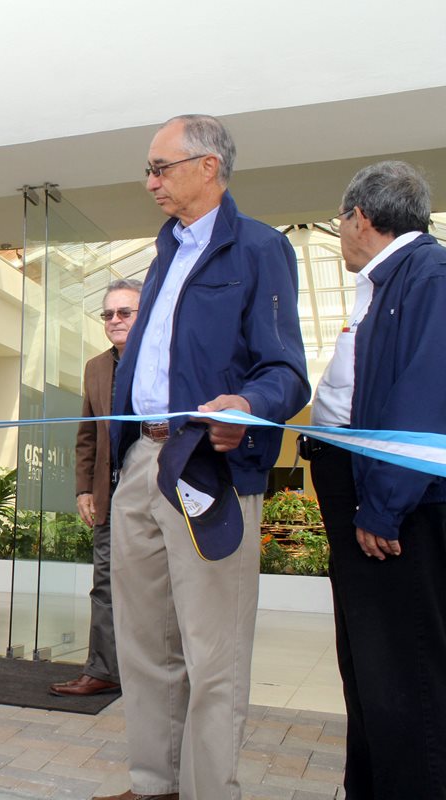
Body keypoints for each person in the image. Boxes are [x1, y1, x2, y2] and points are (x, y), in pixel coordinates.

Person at [99, 115, 309, 800]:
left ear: (208, 166)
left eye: (161, 167)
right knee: (144, 645)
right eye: (149, 170)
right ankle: (154, 781)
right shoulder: (164, 255)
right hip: (141, 463)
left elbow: (285, 369)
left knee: (212, 657)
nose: (150, 182)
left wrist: (246, 407)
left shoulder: (259, 249)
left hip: (209, 469)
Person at [307, 161, 446, 800]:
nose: (338, 231)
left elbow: (423, 398)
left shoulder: (428, 277)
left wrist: (384, 507)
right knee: (369, 671)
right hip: (365, 495)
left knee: (405, 673)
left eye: (340, 219)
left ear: (360, 218)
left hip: (399, 513)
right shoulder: (388, 281)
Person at [50, 278, 141, 698]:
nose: (115, 320)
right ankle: (102, 669)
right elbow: (87, 435)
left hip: (159, 494)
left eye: (125, 312)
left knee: (159, 588)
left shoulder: (166, 360)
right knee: (104, 584)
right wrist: (84, 489)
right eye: (108, 313)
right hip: (111, 495)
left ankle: (153, 675)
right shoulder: (96, 368)